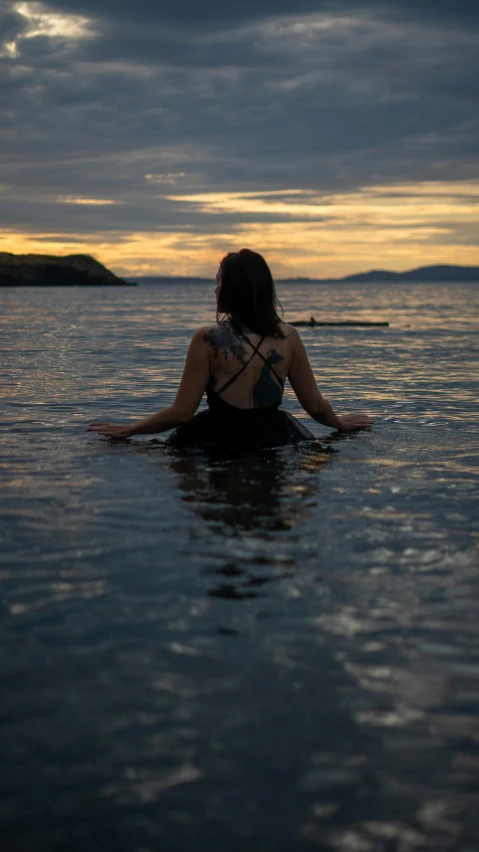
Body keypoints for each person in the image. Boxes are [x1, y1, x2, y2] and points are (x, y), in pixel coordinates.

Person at [87, 249, 374, 447]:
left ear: (233, 289)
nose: (215, 290)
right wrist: (338, 423)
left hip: (216, 437)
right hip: (276, 437)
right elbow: (315, 405)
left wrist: (131, 429)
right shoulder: (289, 337)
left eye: (218, 282)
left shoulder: (206, 339)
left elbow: (181, 413)